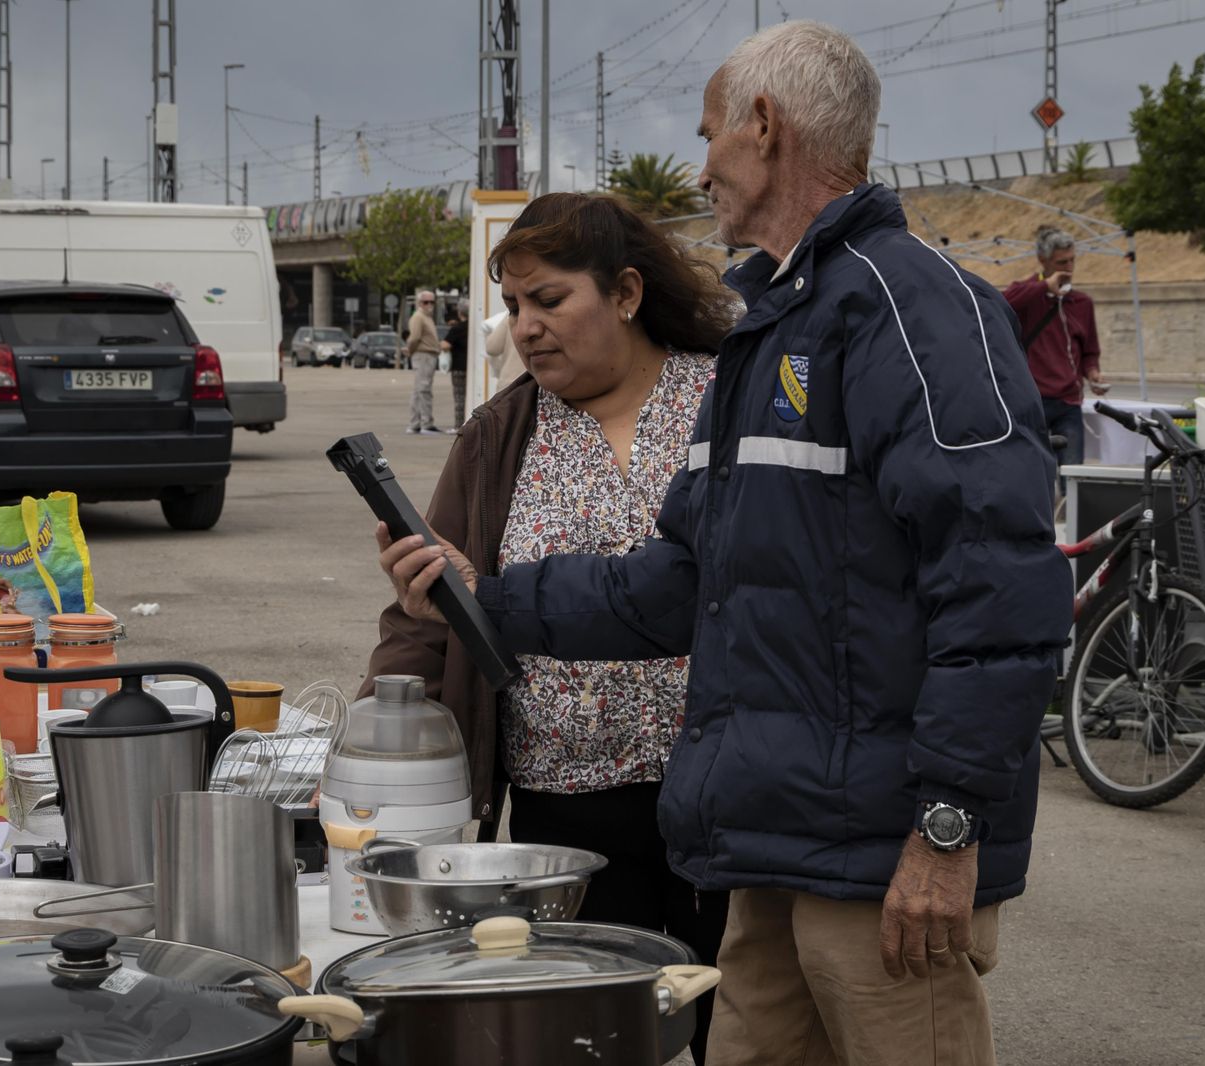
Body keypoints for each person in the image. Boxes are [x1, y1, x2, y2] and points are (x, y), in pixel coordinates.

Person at [376, 20, 1071, 1066]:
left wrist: (945, 829)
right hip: (770, 851)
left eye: (708, 137)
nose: (699, 168)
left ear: (763, 125)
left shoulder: (911, 309)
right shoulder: (771, 329)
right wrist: (487, 598)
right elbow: (676, 585)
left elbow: (1003, 596)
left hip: (876, 863)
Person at [359, 191, 735, 1062]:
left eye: (551, 300)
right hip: (568, 817)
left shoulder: (726, 401)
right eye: (515, 306)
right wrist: (377, 745)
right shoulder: (501, 433)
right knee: (588, 1038)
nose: (525, 327)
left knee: (735, 1028)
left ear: (628, 293)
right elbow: (426, 612)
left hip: (724, 796)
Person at [1002, 225, 1104, 494]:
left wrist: (1093, 373)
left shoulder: (1081, 302)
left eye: (1072, 260)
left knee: (1073, 480)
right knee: (1033, 477)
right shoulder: (1027, 293)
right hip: (1032, 401)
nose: (1069, 268)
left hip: (1068, 403)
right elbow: (1000, 302)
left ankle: (1069, 529)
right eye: (1062, 262)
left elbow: (1090, 351)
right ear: (1043, 261)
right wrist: (1043, 286)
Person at [404, 290, 442, 434]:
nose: (429, 305)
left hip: (427, 355)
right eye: (426, 302)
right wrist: (411, 350)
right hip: (423, 355)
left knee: (419, 390)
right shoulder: (418, 317)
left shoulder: (426, 317)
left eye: (432, 302)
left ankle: (415, 424)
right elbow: (414, 338)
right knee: (423, 389)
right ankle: (426, 423)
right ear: (419, 303)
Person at [441, 299, 470, 426]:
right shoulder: (473, 326)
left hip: (459, 367)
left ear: (460, 312)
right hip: (471, 367)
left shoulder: (457, 328)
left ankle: (459, 424)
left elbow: (445, 345)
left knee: (459, 397)